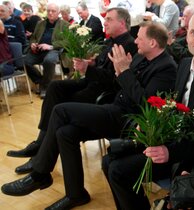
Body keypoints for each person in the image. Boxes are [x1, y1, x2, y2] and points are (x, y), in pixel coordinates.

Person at [1, 21, 177, 210]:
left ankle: (40, 174)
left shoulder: (166, 68)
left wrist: (124, 71)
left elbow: (146, 105)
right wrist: (116, 71)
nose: (135, 41)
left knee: (60, 110)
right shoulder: (142, 58)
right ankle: (75, 195)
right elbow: (119, 84)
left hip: (129, 121)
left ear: (152, 43)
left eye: (140, 38)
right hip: (115, 108)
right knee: (65, 133)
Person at [102, 9, 194, 210]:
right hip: (170, 139)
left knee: (119, 170)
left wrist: (169, 151)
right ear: (186, 34)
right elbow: (172, 108)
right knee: (107, 161)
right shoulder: (184, 64)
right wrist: (149, 126)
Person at [6, 7, 138, 175]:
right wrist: (90, 64)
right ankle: (40, 142)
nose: (105, 22)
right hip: (92, 83)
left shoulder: (127, 45)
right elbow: (102, 66)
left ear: (121, 22)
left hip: (103, 93)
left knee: (60, 107)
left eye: (109, 19)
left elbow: (113, 80)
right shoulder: (110, 42)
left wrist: (88, 69)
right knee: (55, 87)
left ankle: (40, 156)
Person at [23, 3, 69, 99]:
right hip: (38, 50)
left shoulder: (65, 25)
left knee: (48, 61)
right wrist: (33, 43)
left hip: (54, 50)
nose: (50, 13)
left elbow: (67, 41)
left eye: (53, 11)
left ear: (58, 13)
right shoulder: (40, 23)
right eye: (48, 11)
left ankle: (45, 87)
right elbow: (33, 37)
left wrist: (51, 46)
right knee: (26, 61)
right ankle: (41, 81)